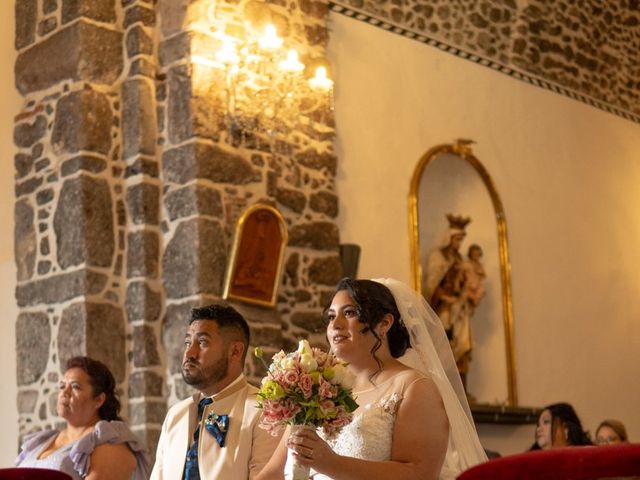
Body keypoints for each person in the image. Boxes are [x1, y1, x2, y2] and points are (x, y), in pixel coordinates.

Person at [256, 278, 487, 480]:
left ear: (384, 323)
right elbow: (273, 474)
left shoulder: (413, 387)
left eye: (349, 313)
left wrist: (331, 463)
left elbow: (419, 474)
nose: (335, 325)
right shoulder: (315, 387)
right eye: (331, 316)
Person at [151, 304, 280, 479]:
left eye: (202, 342)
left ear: (235, 352)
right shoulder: (175, 415)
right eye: (188, 342)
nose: (189, 353)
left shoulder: (263, 410)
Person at [16, 356, 150, 479]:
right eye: (62, 386)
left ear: (98, 400)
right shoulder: (42, 441)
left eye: (75, 387)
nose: (65, 392)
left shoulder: (111, 442)